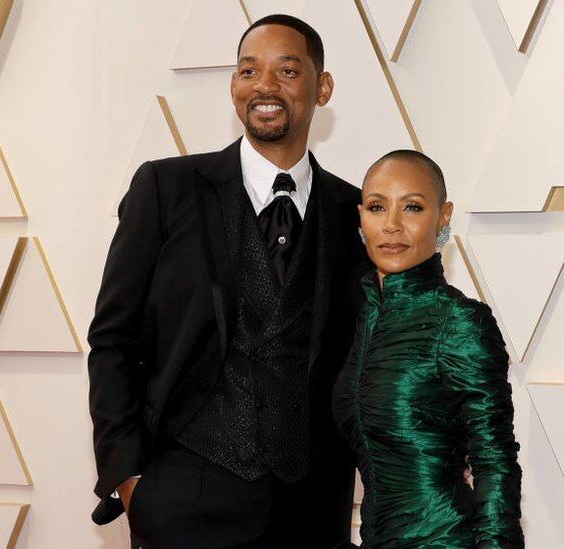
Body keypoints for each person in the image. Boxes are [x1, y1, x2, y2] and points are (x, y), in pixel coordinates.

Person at [87, 14, 368, 548]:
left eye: (287, 70)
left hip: (312, 512)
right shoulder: (166, 189)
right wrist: (130, 480)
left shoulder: (353, 211)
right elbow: (112, 338)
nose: (265, 86)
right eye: (248, 71)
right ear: (234, 87)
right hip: (183, 504)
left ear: (322, 87)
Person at [332, 150, 524, 547]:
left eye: (413, 207)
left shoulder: (460, 321)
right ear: (361, 216)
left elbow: (496, 463)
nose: (391, 225)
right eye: (377, 207)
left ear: (444, 215)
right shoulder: (361, 319)